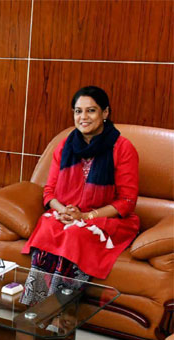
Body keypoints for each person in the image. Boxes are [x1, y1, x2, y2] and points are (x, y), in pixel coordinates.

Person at [20, 86, 140, 305]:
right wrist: (64, 211)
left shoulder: (122, 148)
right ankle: (34, 306)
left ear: (105, 112)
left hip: (105, 219)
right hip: (66, 213)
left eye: (91, 110)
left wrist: (85, 217)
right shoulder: (64, 146)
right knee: (48, 226)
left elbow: (127, 202)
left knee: (76, 234)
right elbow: (49, 192)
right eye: (78, 111)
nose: (83, 117)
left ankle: (59, 309)